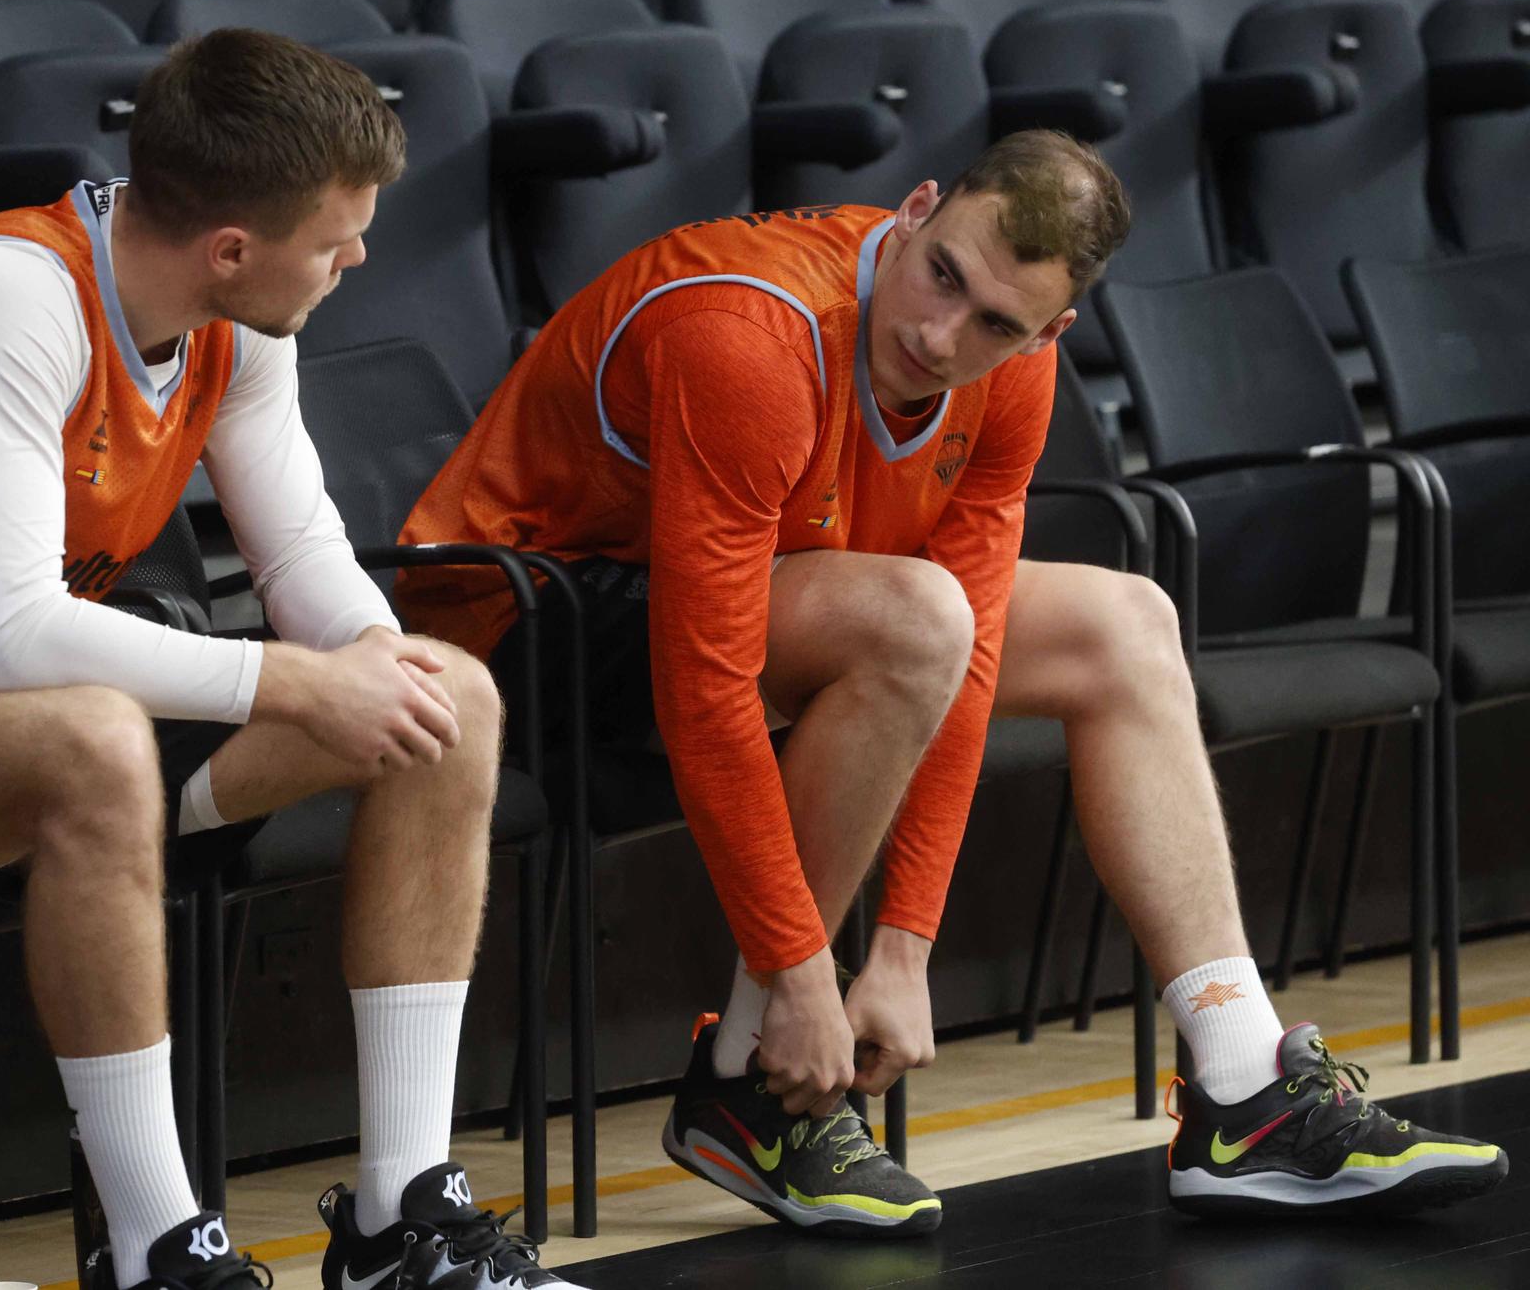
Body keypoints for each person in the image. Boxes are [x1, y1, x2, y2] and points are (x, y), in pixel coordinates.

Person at [396, 130, 1507, 1234]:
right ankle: (749, 1074)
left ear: (1050, 332)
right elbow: (705, 688)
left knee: (1124, 624)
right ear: (916, 207)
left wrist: (904, 947)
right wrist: (801, 977)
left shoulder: (1013, 374)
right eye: (941, 276)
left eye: (995, 325)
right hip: (514, 622)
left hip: (759, 596)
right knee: (914, 617)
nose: (940, 336)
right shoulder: (745, 333)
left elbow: (967, 651)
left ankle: (1240, 1087)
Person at [0, 31, 584, 1290]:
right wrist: (305, 682)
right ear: (231, 248)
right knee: (92, 731)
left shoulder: (237, 318)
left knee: (444, 698)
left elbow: (300, 548)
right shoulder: (8, 298)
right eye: (337, 236)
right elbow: (17, 634)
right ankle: (161, 1255)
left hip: (13, 722)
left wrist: (369, 660)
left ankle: (401, 1221)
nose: (359, 256)